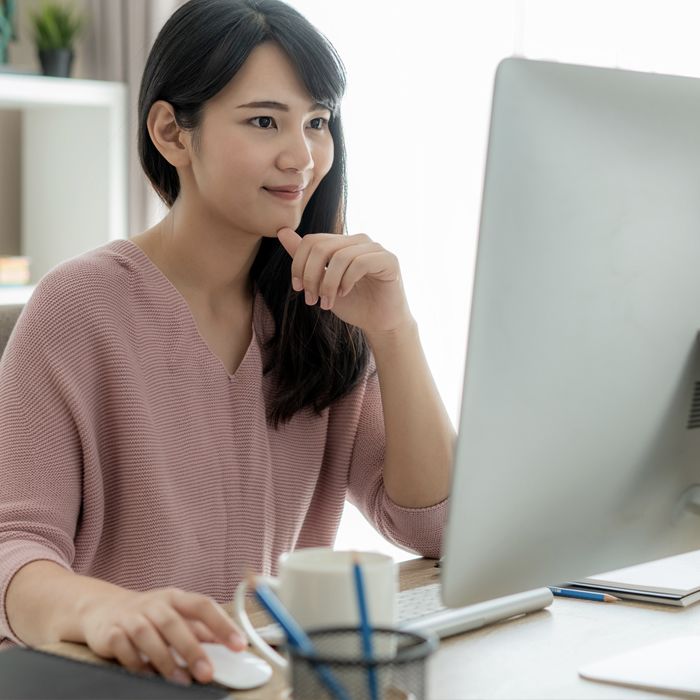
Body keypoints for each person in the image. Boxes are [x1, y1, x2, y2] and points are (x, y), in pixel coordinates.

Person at [0, 0, 455, 687]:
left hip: (263, 678)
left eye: (318, 122)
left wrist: (394, 332)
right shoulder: (78, 307)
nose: (302, 155)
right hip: (102, 680)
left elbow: (437, 530)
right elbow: (12, 549)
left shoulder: (323, 314)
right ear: (171, 132)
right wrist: (105, 612)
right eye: (264, 120)